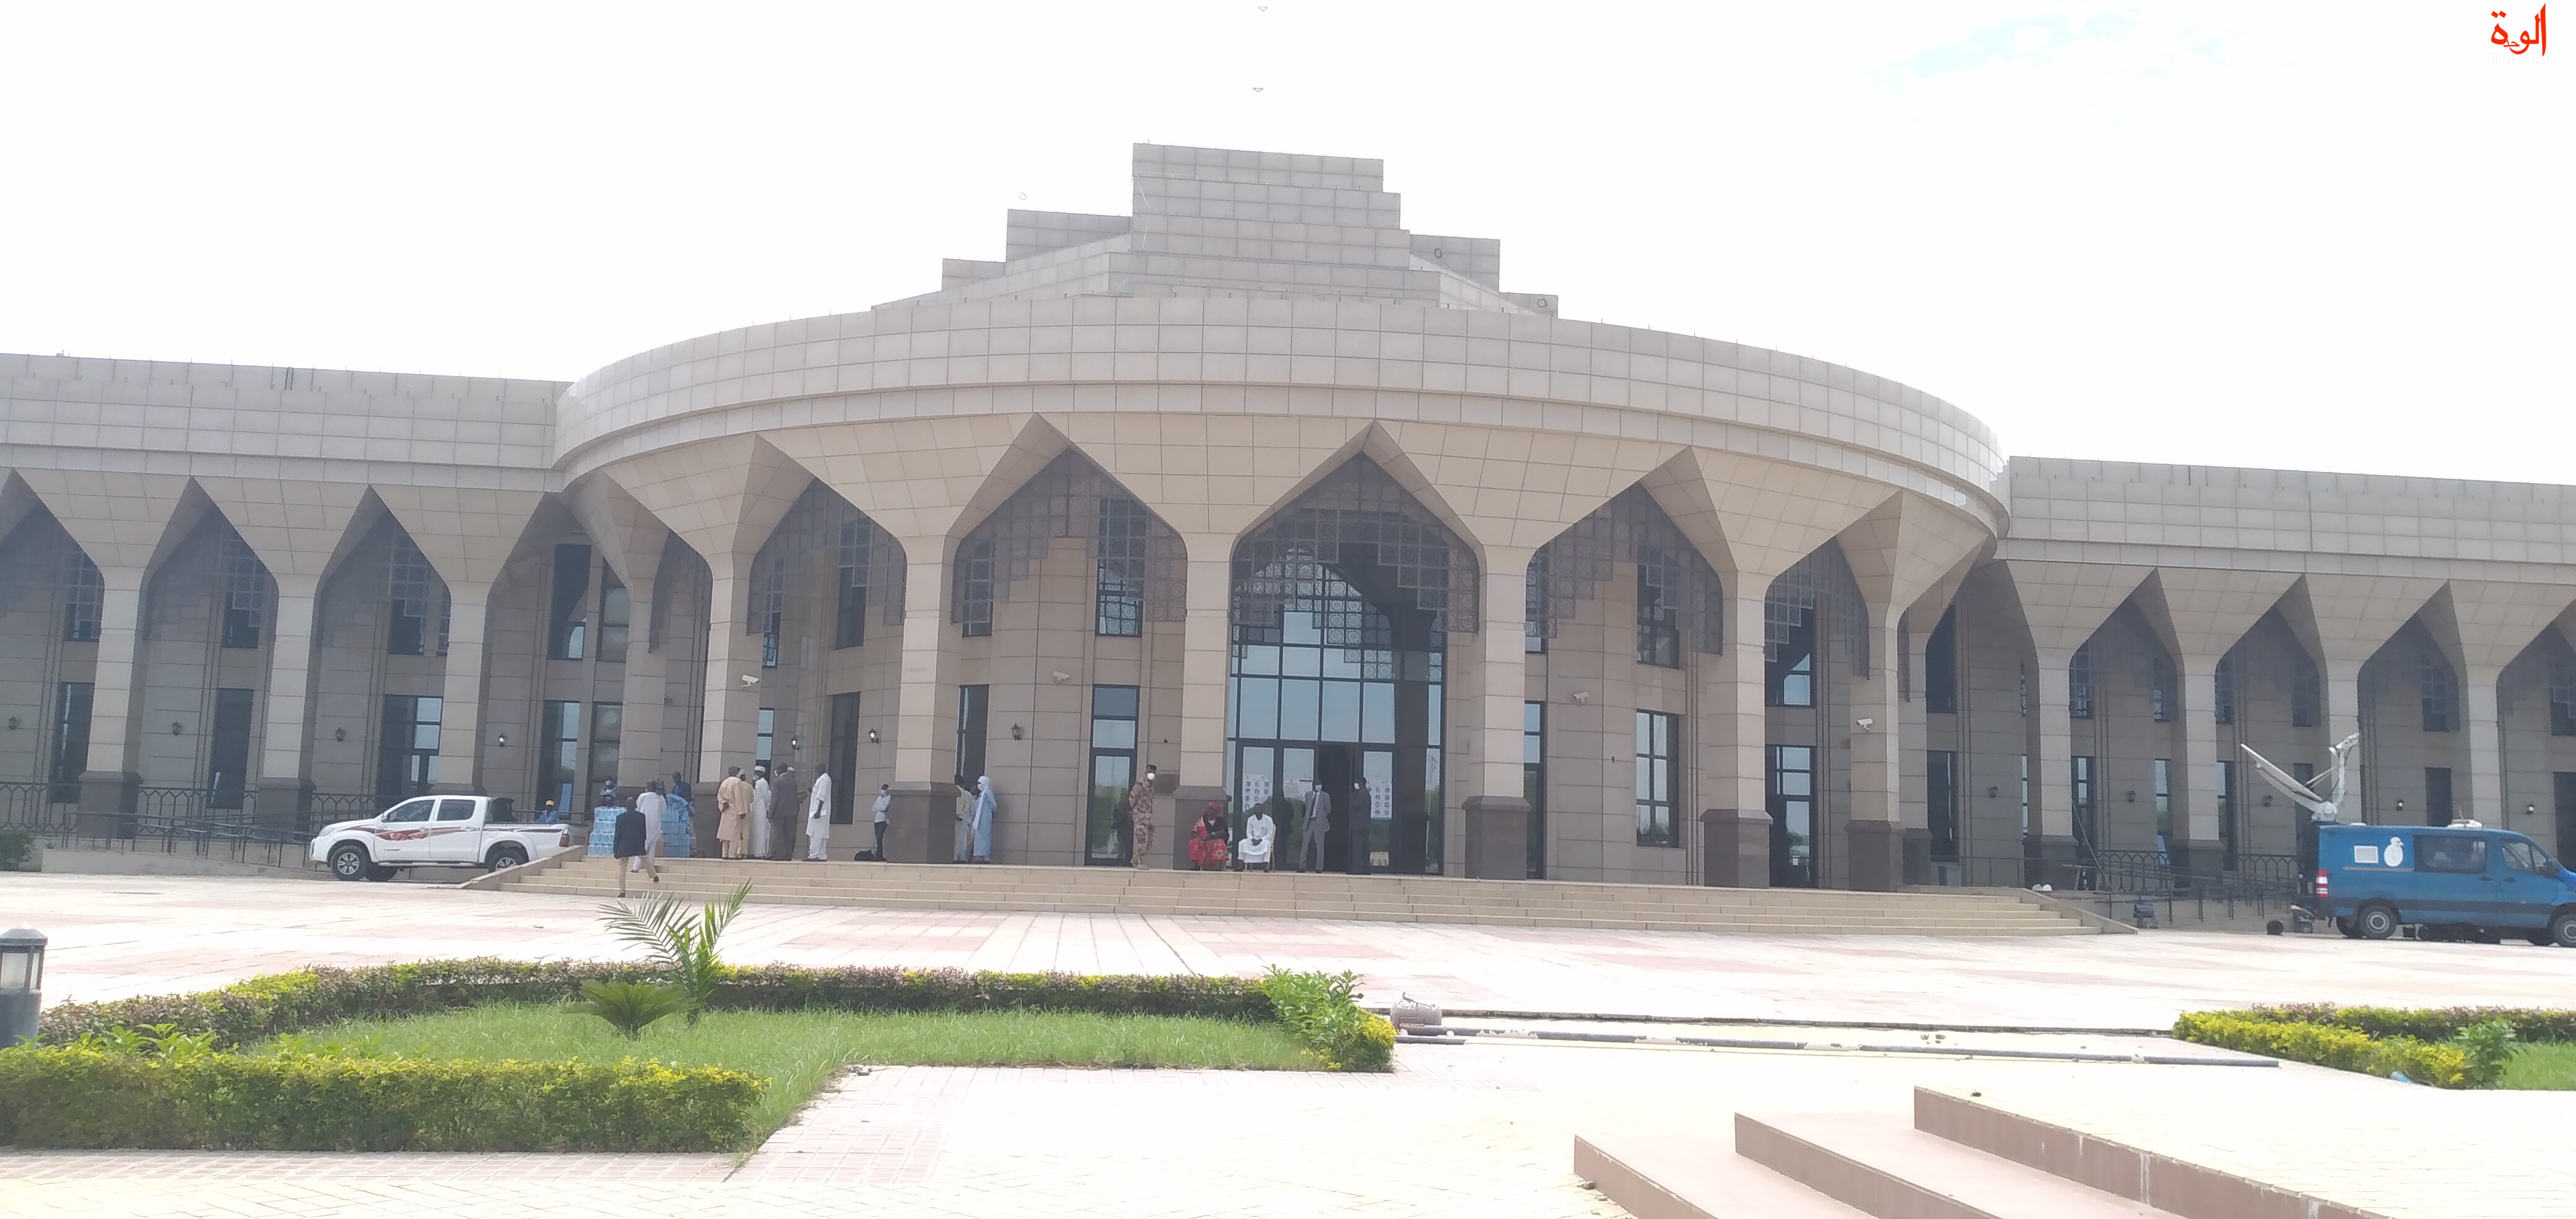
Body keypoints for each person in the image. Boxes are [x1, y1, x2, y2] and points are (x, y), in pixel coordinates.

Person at [612, 790, 650, 897]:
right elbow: (644, 832)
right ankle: (653, 875)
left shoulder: (620, 817)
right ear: (635, 806)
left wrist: (615, 850)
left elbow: (617, 835)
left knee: (622, 869)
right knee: (646, 859)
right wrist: (642, 843)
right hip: (637, 844)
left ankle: (622, 890)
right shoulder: (641, 816)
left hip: (624, 845)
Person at [631, 779, 666, 886]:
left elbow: (638, 807)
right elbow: (664, 811)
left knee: (642, 846)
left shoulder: (643, 796)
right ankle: (650, 867)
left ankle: (636, 867)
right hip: (656, 825)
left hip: (644, 824)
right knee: (652, 847)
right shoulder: (660, 798)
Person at [715, 766, 750, 860]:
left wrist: (723, 803)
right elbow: (739, 798)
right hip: (735, 810)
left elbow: (720, 796)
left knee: (725, 834)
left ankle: (725, 854)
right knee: (734, 834)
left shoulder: (725, 782)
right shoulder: (737, 782)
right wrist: (742, 811)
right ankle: (732, 855)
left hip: (726, 810)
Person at [1298, 782, 1331, 873]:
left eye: (1320, 784)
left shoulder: (1325, 796)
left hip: (1319, 822)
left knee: (1320, 846)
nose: (1319, 786)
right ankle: (1302, 866)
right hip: (1309, 822)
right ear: (1313, 786)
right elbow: (1306, 807)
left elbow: (1328, 809)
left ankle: (1319, 867)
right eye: (1317, 784)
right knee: (1305, 845)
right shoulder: (1308, 795)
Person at [770, 762, 800, 860]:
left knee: (779, 834)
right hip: (792, 813)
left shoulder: (777, 782)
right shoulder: (794, 781)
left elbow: (774, 799)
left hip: (779, 813)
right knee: (789, 835)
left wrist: (770, 813)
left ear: (779, 771)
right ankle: (788, 855)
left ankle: (780, 855)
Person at [1127, 771, 1157, 869]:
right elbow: (1132, 797)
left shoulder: (1151, 786)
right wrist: (1136, 810)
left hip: (1148, 816)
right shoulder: (1141, 783)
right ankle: (1140, 861)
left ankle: (1136, 858)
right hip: (1140, 816)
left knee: (1151, 839)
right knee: (1142, 839)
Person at [1188, 802, 1230, 870]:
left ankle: (1218, 867)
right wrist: (1202, 837)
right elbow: (1194, 833)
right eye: (1207, 808)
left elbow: (1223, 832)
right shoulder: (1202, 820)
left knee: (1220, 842)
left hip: (1215, 840)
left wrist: (1212, 834)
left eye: (1210, 809)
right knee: (1194, 842)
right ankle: (1197, 866)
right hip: (1203, 840)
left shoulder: (1220, 820)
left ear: (1215, 811)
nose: (1208, 810)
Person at [964, 775, 997, 863]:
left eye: (980, 783)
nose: (979, 785)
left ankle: (985, 858)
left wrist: (992, 813)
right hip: (980, 820)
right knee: (979, 837)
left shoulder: (988, 792)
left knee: (985, 837)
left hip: (985, 819)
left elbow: (994, 804)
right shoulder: (982, 794)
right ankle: (980, 857)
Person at [804, 765, 834, 861]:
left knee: (815, 834)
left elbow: (821, 797)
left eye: (816, 771)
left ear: (821, 770)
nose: (815, 773)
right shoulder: (826, 778)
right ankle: (821, 856)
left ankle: (813, 855)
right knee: (821, 835)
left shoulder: (823, 779)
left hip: (819, 813)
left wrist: (818, 812)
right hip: (822, 813)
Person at [1239, 804, 1275, 872]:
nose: (1256, 811)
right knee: (1242, 843)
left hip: (1263, 841)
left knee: (1267, 844)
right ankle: (1241, 864)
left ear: (1262, 810)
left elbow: (1270, 834)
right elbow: (1249, 833)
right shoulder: (1250, 819)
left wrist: (1261, 840)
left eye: (1258, 809)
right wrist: (1252, 839)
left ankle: (1266, 865)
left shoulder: (1268, 820)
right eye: (1255, 809)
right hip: (1253, 840)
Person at [749, 766, 774, 860]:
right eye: (755, 772)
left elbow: (766, 798)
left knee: (760, 831)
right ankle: (752, 851)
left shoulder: (763, 783)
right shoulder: (755, 783)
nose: (756, 774)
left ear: (762, 774)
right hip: (754, 809)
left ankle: (759, 853)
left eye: (758, 773)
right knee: (753, 831)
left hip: (760, 809)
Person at [867, 784, 891, 860]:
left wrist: (879, 807)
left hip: (883, 820)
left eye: (885, 789)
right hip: (877, 820)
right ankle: (879, 855)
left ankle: (879, 855)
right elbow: (873, 808)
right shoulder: (879, 798)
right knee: (878, 838)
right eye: (882, 789)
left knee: (880, 837)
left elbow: (884, 808)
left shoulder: (889, 798)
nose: (883, 791)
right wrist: (879, 807)